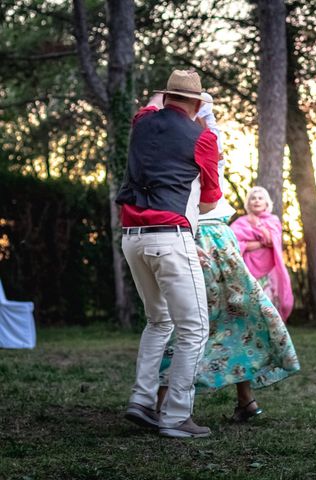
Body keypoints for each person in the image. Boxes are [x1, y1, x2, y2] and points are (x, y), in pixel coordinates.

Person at [157, 95, 300, 421]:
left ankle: (243, 401)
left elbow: (209, 129)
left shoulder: (204, 144)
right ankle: (160, 403)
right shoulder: (171, 148)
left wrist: (200, 116)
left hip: (214, 236)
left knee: (237, 316)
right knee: (192, 319)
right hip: (192, 237)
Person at [116, 69, 220, 439]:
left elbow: (151, 106)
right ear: (196, 103)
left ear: (165, 96)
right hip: (171, 237)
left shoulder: (142, 122)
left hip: (132, 237)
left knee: (158, 321)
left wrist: (163, 97)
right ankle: (175, 417)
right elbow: (209, 202)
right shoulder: (203, 137)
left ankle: (142, 401)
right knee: (194, 328)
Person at [230, 187, 294, 322]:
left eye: (260, 198)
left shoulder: (273, 220)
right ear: (248, 203)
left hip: (268, 271)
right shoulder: (240, 222)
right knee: (249, 306)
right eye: (253, 198)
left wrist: (258, 225)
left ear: (266, 203)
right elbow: (232, 244)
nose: (256, 201)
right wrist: (255, 244)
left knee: (268, 307)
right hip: (247, 271)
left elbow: (271, 241)